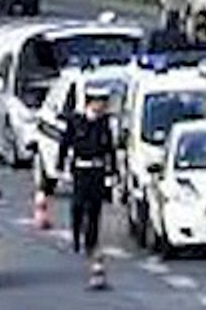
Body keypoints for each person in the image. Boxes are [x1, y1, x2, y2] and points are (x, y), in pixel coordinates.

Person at [57, 82, 118, 288]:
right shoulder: (77, 121)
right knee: (78, 204)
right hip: (80, 169)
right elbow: (65, 144)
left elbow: (109, 148)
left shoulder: (104, 124)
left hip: (97, 169)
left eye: (104, 103)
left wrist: (113, 172)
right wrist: (61, 166)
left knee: (95, 207)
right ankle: (76, 234)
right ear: (91, 102)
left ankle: (91, 241)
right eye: (99, 102)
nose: (102, 106)